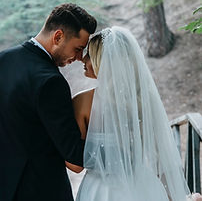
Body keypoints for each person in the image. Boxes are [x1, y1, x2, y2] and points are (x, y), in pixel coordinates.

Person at [0, 3, 97, 201]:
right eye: (78, 48)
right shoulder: (50, 82)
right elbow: (73, 154)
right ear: (58, 37)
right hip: (34, 191)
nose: (79, 57)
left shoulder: (0, 60)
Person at [69, 26, 199, 201]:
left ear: (105, 61)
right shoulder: (143, 101)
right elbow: (160, 159)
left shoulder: (81, 102)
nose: (83, 59)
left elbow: (74, 162)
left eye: (90, 55)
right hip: (143, 187)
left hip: (101, 191)